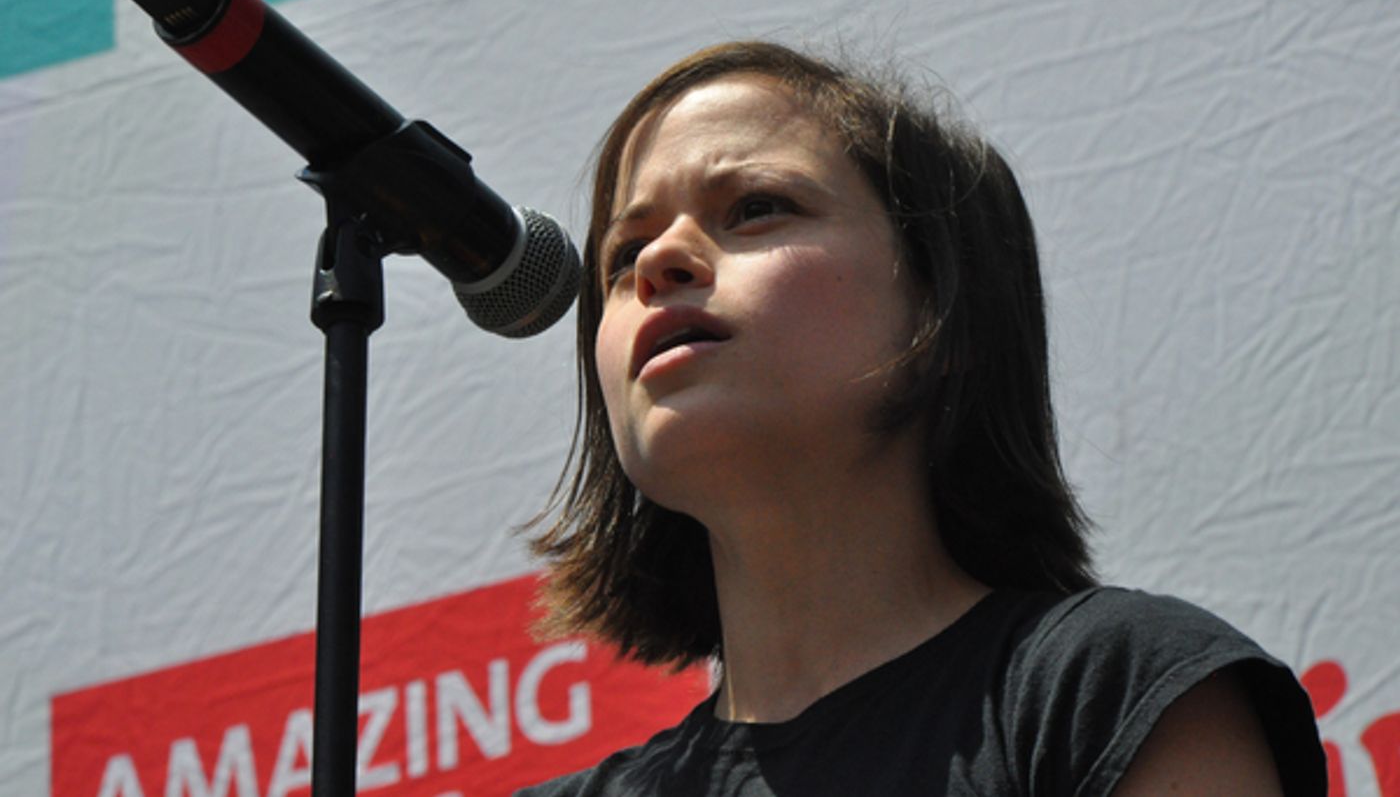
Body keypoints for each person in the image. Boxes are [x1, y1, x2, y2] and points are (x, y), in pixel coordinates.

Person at [515, 41, 1325, 795]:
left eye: (757, 206)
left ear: (941, 312)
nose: (660, 262)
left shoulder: (1109, 689)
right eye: (624, 254)